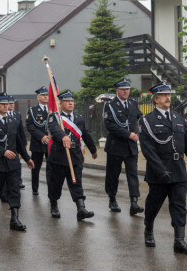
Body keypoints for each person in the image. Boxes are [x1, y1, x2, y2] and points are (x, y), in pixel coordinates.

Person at [139, 81, 187, 255]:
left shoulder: (178, 118)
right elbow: (148, 149)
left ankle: (179, 241)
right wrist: (160, 169)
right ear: (156, 99)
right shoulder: (147, 120)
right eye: (164, 95)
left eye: (169, 95)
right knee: (154, 204)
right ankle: (149, 229)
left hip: (178, 168)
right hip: (159, 171)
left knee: (179, 205)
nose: (168, 98)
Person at [0, 93, 34, 231]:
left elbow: (19, 142)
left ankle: (14, 219)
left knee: (14, 190)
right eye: (2, 104)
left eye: (7, 103)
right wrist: (2, 151)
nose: (6, 106)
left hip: (13, 163)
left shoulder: (13, 121)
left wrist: (27, 158)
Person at [47, 90, 97, 220]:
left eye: (72, 101)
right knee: (55, 183)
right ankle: (54, 206)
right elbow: (54, 129)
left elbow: (85, 134)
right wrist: (63, 136)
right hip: (59, 156)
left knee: (76, 183)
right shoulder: (55, 117)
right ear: (61, 103)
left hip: (74, 155)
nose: (70, 103)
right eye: (67, 101)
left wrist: (93, 150)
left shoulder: (79, 118)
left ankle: (81, 208)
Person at [103, 79, 144, 215]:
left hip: (131, 146)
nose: (126, 91)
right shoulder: (110, 105)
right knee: (113, 174)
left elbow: (140, 118)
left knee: (133, 174)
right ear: (117, 91)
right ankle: (112, 199)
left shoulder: (133, 103)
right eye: (123, 89)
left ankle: (134, 203)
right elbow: (110, 125)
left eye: (127, 89)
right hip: (116, 146)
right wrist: (128, 134)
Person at [26, 86, 50, 195]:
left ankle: (52, 188)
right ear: (38, 97)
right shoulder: (32, 110)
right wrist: (41, 136)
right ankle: (35, 188)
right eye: (43, 95)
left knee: (52, 167)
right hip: (38, 143)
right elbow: (30, 126)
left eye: (47, 95)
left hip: (51, 143)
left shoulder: (53, 109)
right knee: (36, 167)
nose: (46, 97)